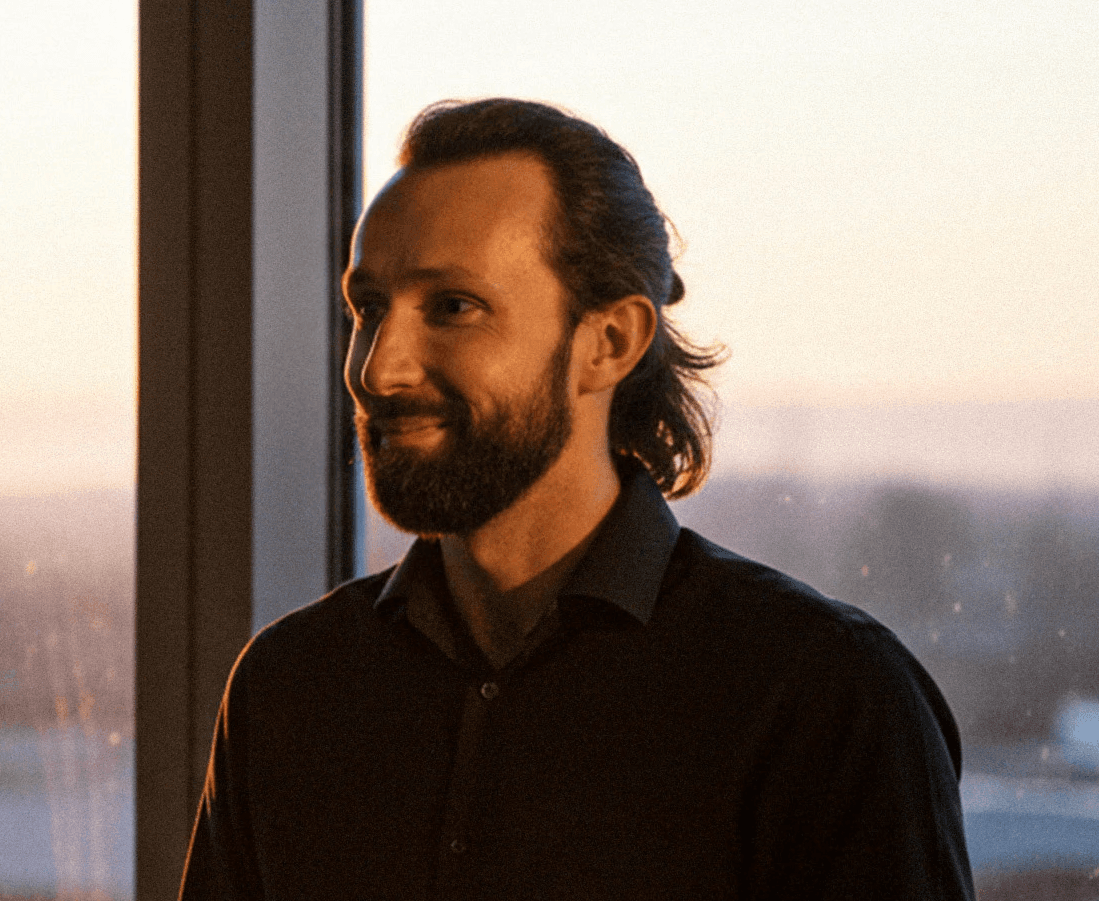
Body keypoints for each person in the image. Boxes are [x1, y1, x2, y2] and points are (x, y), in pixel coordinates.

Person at [179, 98, 976, 900]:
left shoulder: (822, 697)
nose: (378, 369)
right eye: (368, 309)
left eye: (452, 307)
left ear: (610, 342)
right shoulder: (290, 687)